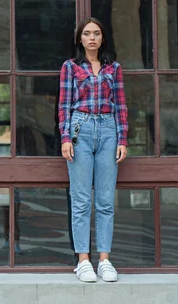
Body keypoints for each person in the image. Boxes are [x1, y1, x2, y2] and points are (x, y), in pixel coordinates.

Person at [58, 17, 128, 283]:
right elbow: (64, 105)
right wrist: (65, 137)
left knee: (106, 200)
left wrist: (122, 139)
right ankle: (83, 260)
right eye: (87, 33)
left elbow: (121, 105)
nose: (91, 38)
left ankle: (105, 260)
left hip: (109, 131)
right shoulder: (71, 67)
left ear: (102, 38)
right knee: (81, 200)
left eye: (96, 33)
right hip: (80, 130)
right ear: (80, 38)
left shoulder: (114, 68)